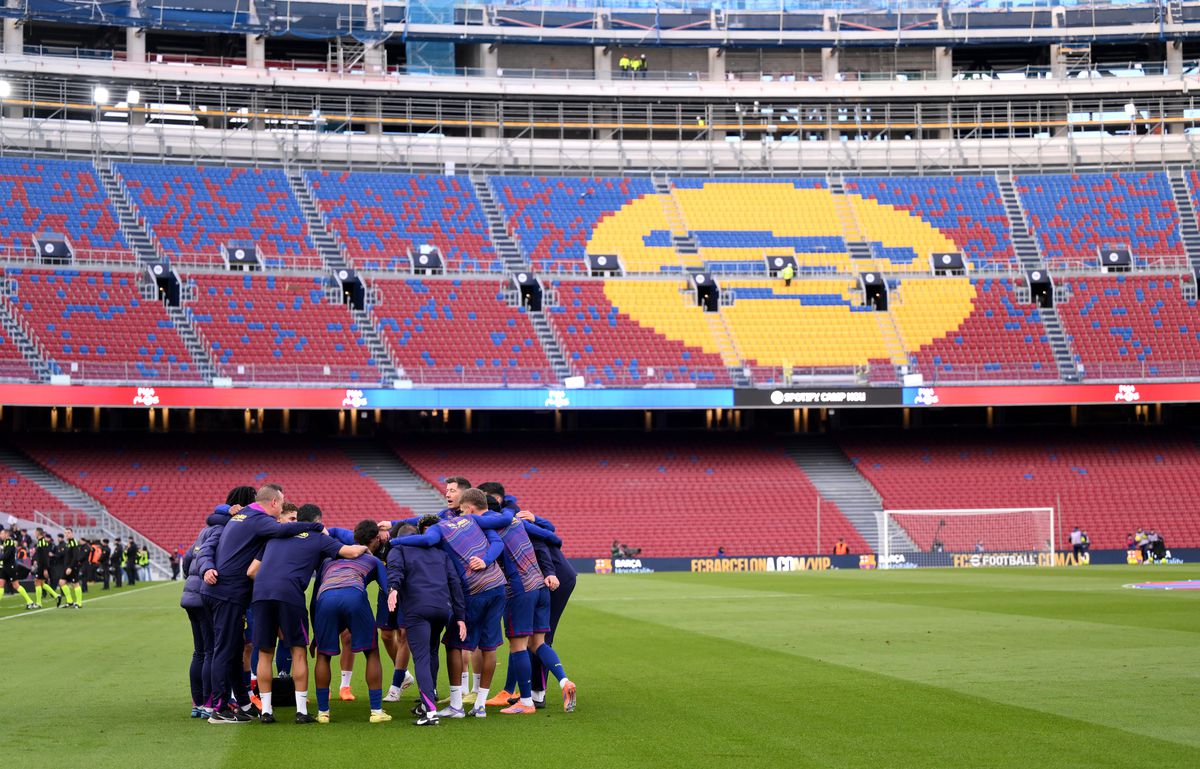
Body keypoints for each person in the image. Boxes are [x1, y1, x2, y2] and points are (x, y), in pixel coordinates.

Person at [199, 485, 322, 724]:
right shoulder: (258, 519)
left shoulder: (242, 516)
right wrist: (313, 526)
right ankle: (219, 708)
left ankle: (242, 704)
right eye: (282, 502)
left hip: (222, 592)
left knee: (233, 649)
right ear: (274, 502)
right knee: (225, 650)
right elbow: (282, 531)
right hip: (228, 593)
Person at [391, 496, 506, 719]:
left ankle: (456, 706)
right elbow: (499, 540)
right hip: (498, 585)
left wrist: (394, 543)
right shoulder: (473, 521)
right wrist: (486, 559)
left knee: (453, 644)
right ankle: (480, 705)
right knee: (489, 646)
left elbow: (425, 542)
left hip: (474, 589)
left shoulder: (438, 529)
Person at [250, 505, 367, 725]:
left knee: (265, 652)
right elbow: (350, 552)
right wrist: (366, 548)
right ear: (317, 521)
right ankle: (301, 711)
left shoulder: (274, 537)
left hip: (262, 593)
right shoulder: (317, 537)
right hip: (290, 594)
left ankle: (266, 711)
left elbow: (251, 571)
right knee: (298, 651)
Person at [475, 491, 575, 715]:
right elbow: (549, 540)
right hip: (540, 586)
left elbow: (494, 551)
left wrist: (484, 562)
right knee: (538, 643)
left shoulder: (488, 529)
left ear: (472, 509)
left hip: (520, 591)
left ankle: (527, 702)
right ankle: (564, 682)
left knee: (518, 645)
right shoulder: (516, 524)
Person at [309, 516, 389, 725]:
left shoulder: (329, 560)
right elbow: (387, 588)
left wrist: (316, 634)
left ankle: (323, 713)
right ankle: (376, 711)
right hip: (354, 596)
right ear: (374, 541)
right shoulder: (372, 560)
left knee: (323, 656)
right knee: (371, 651)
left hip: (325, 600)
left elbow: (314, 598)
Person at [388, 518, 466, 726]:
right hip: (442, 609)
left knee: (421, 657)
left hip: (417, 609)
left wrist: (393, 589)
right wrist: (460, 617)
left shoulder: (399, 550)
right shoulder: (440, 553)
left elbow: (395, 571)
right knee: (431, 653)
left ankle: (430, 712)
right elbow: (454, 583)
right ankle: (427, 703)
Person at [182, 502, 233, 719]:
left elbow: (186, 560)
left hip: (189, 596)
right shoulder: (222, 533)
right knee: (212, 651)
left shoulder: (203, 532)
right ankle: (209, 703)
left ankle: (197, 703)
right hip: (205, 596)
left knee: (199, 651)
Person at [1, 527, 34, 608]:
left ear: (7, 534)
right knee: (0, 584)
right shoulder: (6, 542)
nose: (0, 535)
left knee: (16, 585)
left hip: (10, 567)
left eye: (2, 533)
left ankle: (30, 601)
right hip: (4, 566)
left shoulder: (10, 542)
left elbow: (6, 556)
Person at [31, 528, 58, 609]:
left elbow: (46, 557)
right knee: (41, 584)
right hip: (41, 565)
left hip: (42, 566)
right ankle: (56, 596)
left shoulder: (42, 542)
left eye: (35, 532)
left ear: (38, 533)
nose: (34, 533)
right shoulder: (40, 542)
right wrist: (35, 561)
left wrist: (45, 569)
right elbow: (40, 555)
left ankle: (39, 603)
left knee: (37, 582)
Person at [57, 528, 84, 609]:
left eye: (68, 533)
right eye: (66, 533)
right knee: (61, 582)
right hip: (67, 567)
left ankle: (79, 603)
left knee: (75, 584)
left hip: (73, 567)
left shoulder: (73, 542)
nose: (67, 534)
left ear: (72, 533)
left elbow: (75, 556)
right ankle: (70, 601)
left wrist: (70, 567)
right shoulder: (68, 543)